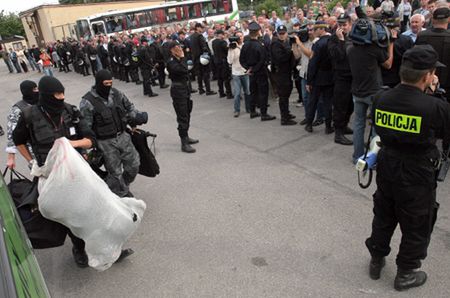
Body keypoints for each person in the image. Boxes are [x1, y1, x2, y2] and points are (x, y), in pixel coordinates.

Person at [365, 45, 449, 291]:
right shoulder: (435, 107)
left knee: (384, 213)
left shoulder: (380, 98)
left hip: (387, 165)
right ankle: (406, 272)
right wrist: (433, 95)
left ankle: (376, 259)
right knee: (417, 220)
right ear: (427, 76)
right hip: (417, 170)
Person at [12, 76, 92, 267]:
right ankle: (78, 247)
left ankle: (99, 242)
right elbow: (18, 140)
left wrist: (71, 144)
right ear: (46, 95)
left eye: (63, 92)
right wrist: (31, 161)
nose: (61, 97)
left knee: (88, 208)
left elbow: (90, 139)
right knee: (66, 213)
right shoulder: (29, 115)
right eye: (57, 94)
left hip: (76, 172)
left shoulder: (71, 111)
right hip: (50, 175)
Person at [80, 70, 141, 197]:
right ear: (98, 83)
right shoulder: (88, 102)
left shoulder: (117, 94)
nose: (108, 86)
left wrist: (136, 117)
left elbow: (130, 107)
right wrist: (86, 149)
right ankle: (122, 194)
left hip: (123, 136)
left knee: (134, 165)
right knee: (115, 172)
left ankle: (122, 185)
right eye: (105, 83)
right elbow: (85, 128)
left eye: (110, 83)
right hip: (105, 143)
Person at [348, 1, 395, 163]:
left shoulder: (350, 48)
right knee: (376, 128)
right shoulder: (374, 49)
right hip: (373, 92)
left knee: (359, 125)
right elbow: (388, 64)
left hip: (357, 91)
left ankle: (357, 157)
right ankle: (372, 159)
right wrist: (391, 44)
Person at [240, 22, 276, 121]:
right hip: (260, 72)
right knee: (263, 92)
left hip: (251, 72)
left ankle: (252, 111)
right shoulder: (260, 46)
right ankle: (264, 113)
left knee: (253, 91)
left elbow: (241, 60)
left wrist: (248, 68)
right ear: (257, 32)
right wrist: (254, 69)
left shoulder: (245, 45)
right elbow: (262, 60)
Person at [166, 42, 199, 153]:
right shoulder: (171, 62)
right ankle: (183, 142)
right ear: (172, 50)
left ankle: (186, 136)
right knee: (182, 116)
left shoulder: (178, 59)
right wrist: (183, 57)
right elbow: (184, 69)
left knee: (187, 112)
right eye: (177, 47)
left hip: (185, 89)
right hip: (178, 91)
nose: (180, 49)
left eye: (180, 47)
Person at [328, 13, 354, 145]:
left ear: (350, 25)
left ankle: (344, 125)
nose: (342, 28)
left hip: (353, 76)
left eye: (345, 25)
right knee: (340, 105)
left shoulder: (355, 36)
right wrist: (341, 40)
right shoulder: (334, 39)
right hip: (341, 76)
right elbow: (337, 56)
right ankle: (338, 132)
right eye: (340, 25)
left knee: (351, 105)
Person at [415, 6, 450, 101]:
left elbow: (414, 59)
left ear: (433, 19)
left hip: (423, 82)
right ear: (448, 19)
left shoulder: (422, 35)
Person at [305, 21, 334, 134]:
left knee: (313, 101)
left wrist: (309, 81)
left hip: (318, 77)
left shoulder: (318, 44)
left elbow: (313, 64)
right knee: (328, 103)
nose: (313, 32)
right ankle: (328, 126)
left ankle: (309, 124)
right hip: (330, 77)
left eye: (315, 29)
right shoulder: (332, 41)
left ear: (321, 29)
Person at [270, 25, 302, 125]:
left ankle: (286, 113)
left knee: (286, 94)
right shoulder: (275, 44)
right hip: (280, 73)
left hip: (287, 72)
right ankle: (284, 118)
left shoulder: (286, 42)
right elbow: (280, 58)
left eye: (284, 33)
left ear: (286, 33)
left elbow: (294, 57)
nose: (282, 35)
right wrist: (290, 51)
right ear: (277, 34)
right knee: (283, 96)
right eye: (280, 33)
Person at [6, 80, 39, 169]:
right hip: (34, 152)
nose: (37, 91)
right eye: (34, 89)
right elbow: (13, 133)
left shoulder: (41, 102)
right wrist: (11, 156)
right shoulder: (18, 109)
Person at [227, 31, 251, 117]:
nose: (239, 38)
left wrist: (239, 48)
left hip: (245, 72)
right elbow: (229, 61)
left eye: (241, 36)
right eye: (238, 36)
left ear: (243, 37)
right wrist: (231, 50)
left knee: (247, 91)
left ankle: (249, 108)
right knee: (237, 93)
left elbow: (247, 57)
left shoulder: (246, 45)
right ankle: (236, 110)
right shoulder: (232, 47)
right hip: (236, 73)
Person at [190, 23, 216, 95]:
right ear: (198, 28)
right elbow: (204, 47)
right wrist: (208, 54)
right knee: (206, 74)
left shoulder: (191, 36)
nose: (202, 29)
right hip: (202, 58)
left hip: (195, 58)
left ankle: (200, 89)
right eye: (201, 28)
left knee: (199, 74)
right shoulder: (200, 36)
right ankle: (208, 90)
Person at [212, 30, 233, 99]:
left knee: (219, 78)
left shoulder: (213, 42)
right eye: (223, 34)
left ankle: (221, 92)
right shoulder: (222, 42)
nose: (223, 36)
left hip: (216, 62)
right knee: (226, 78)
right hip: (223, 61)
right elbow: (227, 50)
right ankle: (229, 93)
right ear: (220, 35)